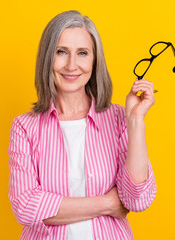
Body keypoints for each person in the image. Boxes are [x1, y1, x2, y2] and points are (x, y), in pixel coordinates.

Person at [8, 10, 157, 240]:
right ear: (48, 57)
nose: (71, 65)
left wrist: (135, 121)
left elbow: (137, 199)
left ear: (94, 60)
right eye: (61, 52)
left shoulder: (118, 118)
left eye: (82, 53)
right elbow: (26, 206)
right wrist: (108, 203)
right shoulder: (25, 127)